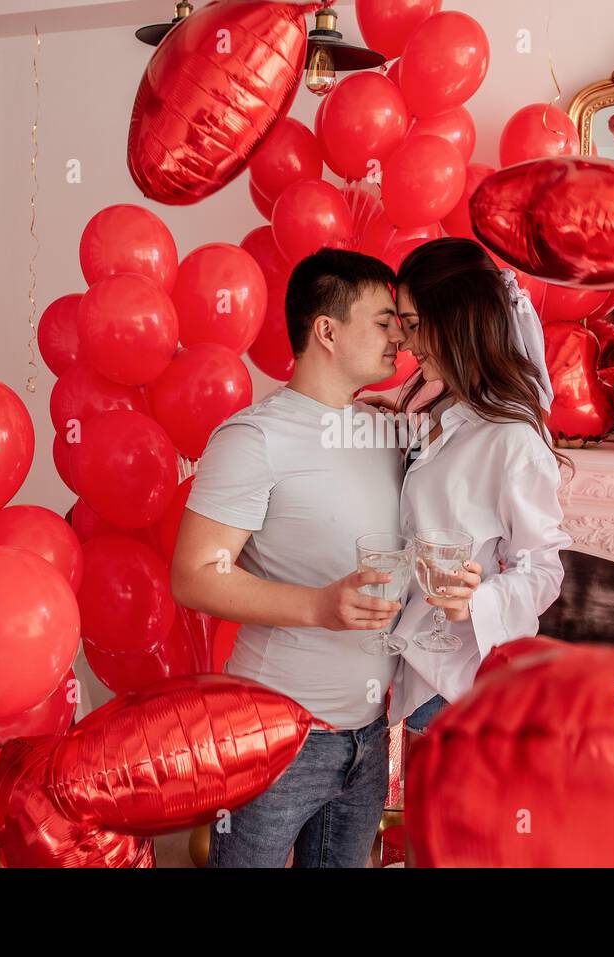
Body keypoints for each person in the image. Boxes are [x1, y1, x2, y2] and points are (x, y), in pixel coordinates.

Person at [169, 247, 476, 867]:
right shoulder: (254, 439)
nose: (401, 337)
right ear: (327, 331)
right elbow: (193, 575)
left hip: (367, 738)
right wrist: (317, 605)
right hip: (275, 733)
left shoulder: (390, 430)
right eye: (384, 320)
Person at [385, 238, 572, 735]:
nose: (405, 343)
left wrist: (478, 602)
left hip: (458, 692)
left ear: (458, 317)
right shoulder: (444, 417)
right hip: (413, 678)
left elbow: (543, 569)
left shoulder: (512, 441)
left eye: (415, 324)